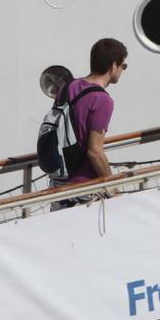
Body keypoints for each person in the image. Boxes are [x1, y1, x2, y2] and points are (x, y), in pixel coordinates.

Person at [51, 38, 127, 207]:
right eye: (123, 66)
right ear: (114, 65)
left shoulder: (67, 87)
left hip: (59, 183)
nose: (122, 70)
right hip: (84, 188)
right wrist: (113, 188)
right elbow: (94, 151)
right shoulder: (102, 100)